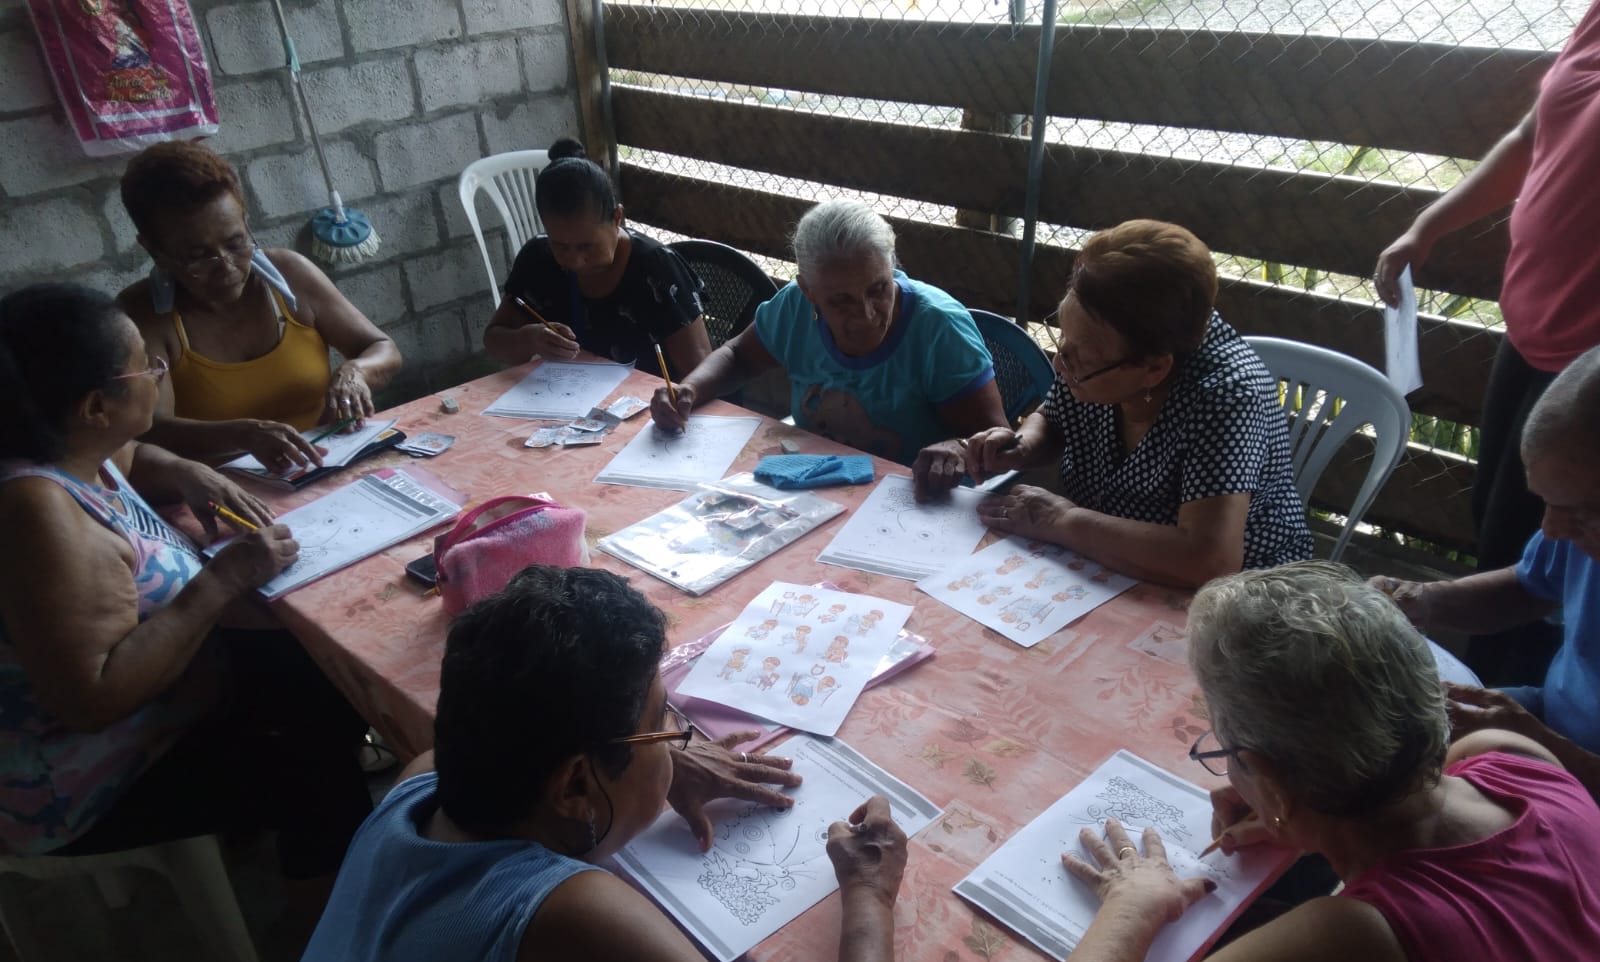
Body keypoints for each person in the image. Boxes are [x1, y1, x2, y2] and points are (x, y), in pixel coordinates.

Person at [273, 565, 909, 962]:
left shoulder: (421, 783)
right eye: (664, 722)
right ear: (575, 784)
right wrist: (869, 897)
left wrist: (647, 759)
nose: (678, 739)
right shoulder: (569, 927)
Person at [1007, 561, 1600, 962]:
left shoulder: (1356, 947)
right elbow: (1422, 797)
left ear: (1271, 778)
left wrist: (1131, 902)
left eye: (1225, 753)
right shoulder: (1517, 761)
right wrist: (1296, 815)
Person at [0, 283, 371, 881]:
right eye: (144, 366)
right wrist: (224, 578)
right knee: (315, 770)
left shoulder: (71, 446)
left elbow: (132, 457)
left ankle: (295, 832)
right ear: (95, 407)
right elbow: (93, 700)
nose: (158, 369)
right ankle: (338, 915)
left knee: (325, 677)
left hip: (177, 699)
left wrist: (184, 469)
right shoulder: (38, 514)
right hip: (87, 780)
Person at [1374, 0, 1600, 679]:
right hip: (1532, 330)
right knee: (1506, 526)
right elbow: (1533, 135)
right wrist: (1429, 224)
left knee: (1553, 543)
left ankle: (1537, 709)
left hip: (1588, 357)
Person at [961, 220, 1311, 589]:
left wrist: (1062, 520)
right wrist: (1021, 446)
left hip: (1239, 593)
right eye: (1063, 341)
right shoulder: (1097, 352)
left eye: (1080, 358)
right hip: (1110, 562)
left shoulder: (1227, 398)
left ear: (1154, 369)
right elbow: (1054, 417)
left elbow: (1210, 560)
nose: (1060, 364)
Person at [649, 198, 1006, 487]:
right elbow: (738, 355)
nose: (866, 314)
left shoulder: (939, 328)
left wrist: (960, 448)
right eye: (841, 301)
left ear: (892, 267)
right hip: (815, 485)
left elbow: (999, 442)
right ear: (808, 291)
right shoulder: (795, 306)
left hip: (913, 502)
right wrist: (690, 390)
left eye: (878, 289)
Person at [1372, 345, 1600, 796]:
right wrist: (1425, 600)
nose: (1552, 530)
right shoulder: (1575, 529)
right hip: (1547, 717)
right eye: (1546, 502)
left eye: (1585, 512)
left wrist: (1540, 743)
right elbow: (1527, 588)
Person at [117, 140, 402, 475]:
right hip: (227, 487)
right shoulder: (143, 317)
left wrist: (355, 373)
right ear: (153, 250)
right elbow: (150, 429)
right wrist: (240, 435)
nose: (226, 266)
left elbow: (382, 348)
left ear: (246, 222)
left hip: (327, 462)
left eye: (236, 242)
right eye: (198, 256)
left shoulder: (291, 275)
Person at [483, 138, 712, 380]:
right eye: (560, 246)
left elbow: (700, 373)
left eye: (586, 246)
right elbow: (494, 341)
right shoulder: (539, 258)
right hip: (570, 397)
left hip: (653, 399)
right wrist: (530, 339)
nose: (575, 260)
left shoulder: (655, 268)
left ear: (617, 218)